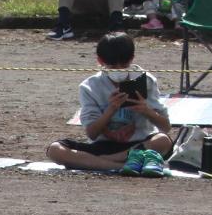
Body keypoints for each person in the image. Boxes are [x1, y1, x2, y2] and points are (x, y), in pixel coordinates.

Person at [46, 32, 170, 174]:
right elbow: (92, 133)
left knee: (162, 141)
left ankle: (106, 161)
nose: (118, 70)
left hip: (139, 144)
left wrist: (146, 110)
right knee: (55, 150)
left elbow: (165, 126)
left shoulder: (146, 81)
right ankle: (122, 165)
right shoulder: (90, 86)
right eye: (112, 66)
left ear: (132, 59)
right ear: (100, 61)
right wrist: (111, 110)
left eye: (123, 65)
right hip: (103, 145)